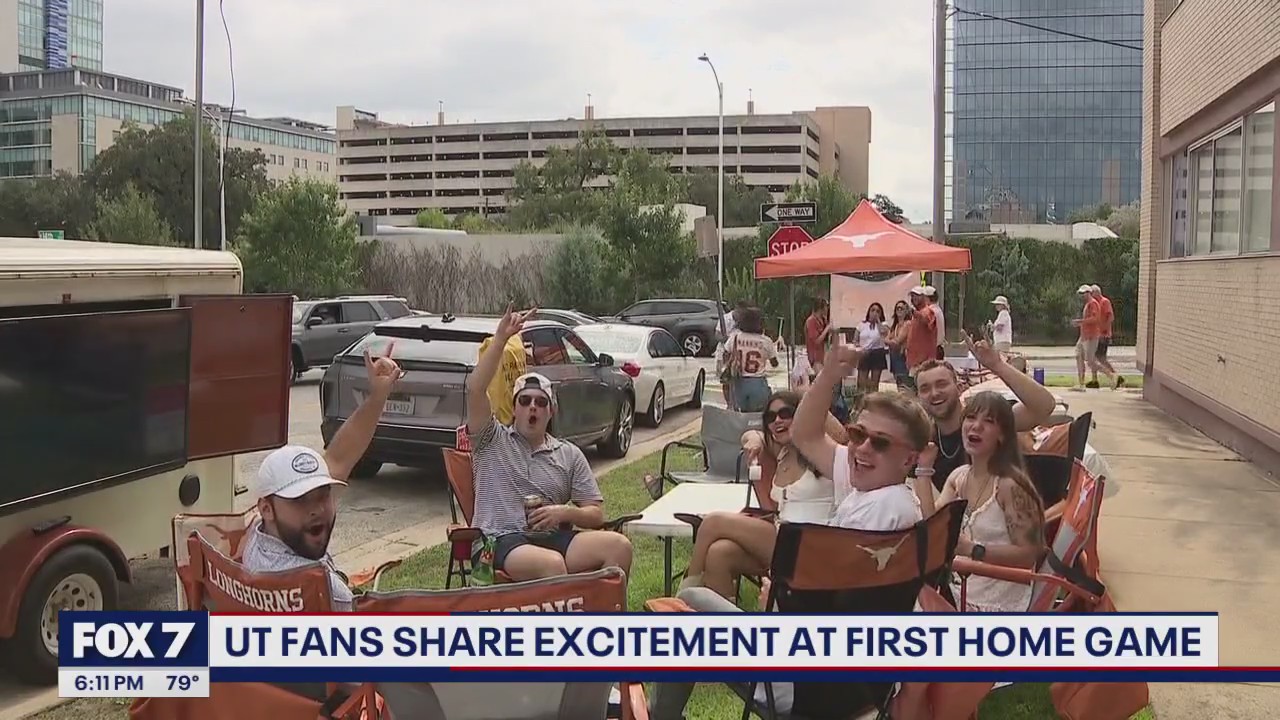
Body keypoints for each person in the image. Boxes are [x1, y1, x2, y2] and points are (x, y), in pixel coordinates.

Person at [650, 344, 930, 720]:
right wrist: (829, 376)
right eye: (856, 433)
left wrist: (785, 598)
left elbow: (834, 610)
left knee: (684, 609)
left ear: (909, 458)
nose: (861, 448)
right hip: (844, 680)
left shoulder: (885, 511)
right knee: (692, 601)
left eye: (878, 442)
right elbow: (806, 434)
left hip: (808, 684)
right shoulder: (879, 488)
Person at [466, 306, 633, 581]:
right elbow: (475, 389)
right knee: (552, 565)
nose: (533, 407)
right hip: (498, 541)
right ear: (514, 406)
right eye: (525, 401)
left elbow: (596, 514)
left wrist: (563, 512)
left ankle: (603, 618)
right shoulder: (491, 439)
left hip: (552, 538)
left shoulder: (568, 454)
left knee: (619, 547)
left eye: (541, 402)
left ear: (550, 411)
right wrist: (500, 340)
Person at [241, 342, 406, 611]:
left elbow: (338, 459)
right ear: (266, 508)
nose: (317, 509)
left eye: (323, 494)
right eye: (300, 500)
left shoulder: (258, 534)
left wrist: (377, 397)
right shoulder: (320, 588)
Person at [678, 390, 849, 600]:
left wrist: (808, 395)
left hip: (811, 544)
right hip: (782, 537)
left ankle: (683, 596)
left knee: (713, 522)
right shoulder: (782, 452)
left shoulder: (822, 453)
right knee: (719, 554)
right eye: (770, 417)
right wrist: (755, 438)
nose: (777, 420)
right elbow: (748, 435)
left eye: (785, 413)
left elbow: (841, 435)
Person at [917, 391, 1046, 612]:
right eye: (970, 418)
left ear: (1002, 435)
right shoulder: (959, 476)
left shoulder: (1009, 486)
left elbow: (1029, 554)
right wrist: (923, 469)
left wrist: (974, 550)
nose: (976, 426)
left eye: (988, 421)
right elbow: (933, 525)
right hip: (957, 587)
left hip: (993, 604)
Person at [912, 330, 1057, 493]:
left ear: (960, 388)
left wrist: (997, 365)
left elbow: (1044, 406)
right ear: (918, 397)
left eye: (941, 384)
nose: (934, 393)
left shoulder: (986, 422)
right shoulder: (924, 443)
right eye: (925, 388)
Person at [723, 305, 779, 413]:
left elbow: (726, 354)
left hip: (738, 383)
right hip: (758, 383)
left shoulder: (735, 337)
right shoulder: (766, 341)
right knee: (757, 417)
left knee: (740, 417)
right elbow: (774, 363)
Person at [1072, 284, 1117, 391]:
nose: (1082, 296)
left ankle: (1111, 375)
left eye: (1083, 293)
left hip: (1091, 336)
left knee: (1091, 361)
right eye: (1081, 294)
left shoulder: (1093, 304)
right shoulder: (1087, 304)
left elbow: (1095, 319)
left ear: (1088, 293)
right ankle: (1081, 383)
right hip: (1083, 336)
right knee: (1078, 356)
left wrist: (1080, 322)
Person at [1087, 284, 1123, 389]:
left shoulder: (1104, 302)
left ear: (1097, 292)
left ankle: (1116, 376)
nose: (1091, 296)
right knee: (1094, 358)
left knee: (1101, 358)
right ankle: (1095, 380)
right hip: (1096, 334)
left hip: (1103, 334)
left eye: (1092, 293)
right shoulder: (1094, 304)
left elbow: (1110, 317)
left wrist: (1105, 330)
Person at [717, 300, 748, 405]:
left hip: (740, 353)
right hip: (724, 352)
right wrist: (725, 338)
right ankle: (729, 403)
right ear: (736, 309)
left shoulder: (745, 320)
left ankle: (737, 402)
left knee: (739, 379)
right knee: (726, 380)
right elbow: (717, 334)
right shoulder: (725, 319)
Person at [854, 302, 890, 393]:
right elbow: (855, 340)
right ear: (868, 312)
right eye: (872, 310)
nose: (875, 312)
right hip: (864, 352)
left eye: (878, 311)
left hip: (877, 353)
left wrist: (877, 321)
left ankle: (873, 403)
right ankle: (860, 403)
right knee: (861, 382)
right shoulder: (862, 324)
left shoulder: (884, 324)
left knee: (874, 384)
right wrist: (859, 349)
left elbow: (884, 333)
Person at [906, 287, 939, 377]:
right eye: (912, 296)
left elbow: (927, 320)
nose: (913, 298)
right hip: (914, 361)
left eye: (917, 296)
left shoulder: (928, 311)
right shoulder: (916, 314)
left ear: (924, 297)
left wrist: (915, 313)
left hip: (924, 362)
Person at [887, 300, 913, 391]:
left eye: (901, 308)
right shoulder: (895, 325)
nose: (899, 310)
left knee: (905, 382)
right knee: (898, 381)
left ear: (906, 310)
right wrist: (890, 341)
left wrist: (890, 341)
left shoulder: (908, 324)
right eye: (897, 308)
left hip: (903, 356)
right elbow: (887, 339)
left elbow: (897, 341)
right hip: (894, 355)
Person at [803, 297, 832, 375]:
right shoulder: (811, 321)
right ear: (820, 308)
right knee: (820, 379)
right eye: (826, 307)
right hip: (815, 357)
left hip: (823, 355)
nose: (827, 309)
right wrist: (827, 328)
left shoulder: (822, 320)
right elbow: (816, 341)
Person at [924, 285, 946, 360]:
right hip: (939, 348)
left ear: (927, 298)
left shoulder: (929, 311)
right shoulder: (938, 310)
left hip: (932, 350)